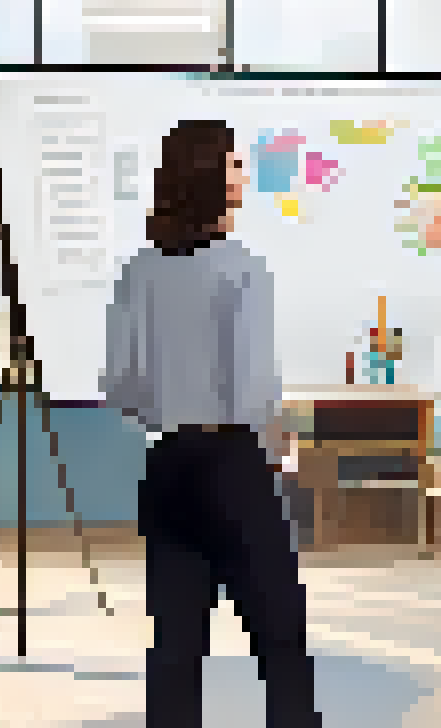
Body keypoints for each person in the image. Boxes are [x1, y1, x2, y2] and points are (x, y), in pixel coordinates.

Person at [103, 120, 322, 728]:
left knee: (176, 646)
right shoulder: (242, 269)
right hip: (233, 466)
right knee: (280, 636)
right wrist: (278, 449)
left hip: (169, 464)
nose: (242, 176)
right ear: (207, 176)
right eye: (232, 164)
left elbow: (119, 383)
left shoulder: (139, 270)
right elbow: (253, 391)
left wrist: (171, 412)